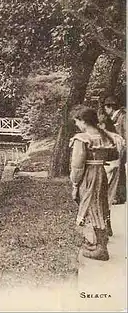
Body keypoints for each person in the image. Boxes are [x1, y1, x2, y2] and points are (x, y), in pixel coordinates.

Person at [69, 105, 118, 261]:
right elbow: (113, 155)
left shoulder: (82, 139)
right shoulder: (105, 136)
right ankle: (99, 243)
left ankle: (102, 250)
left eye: (77, 121)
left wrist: (75, 184)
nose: (77, 125)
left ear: (83, 121)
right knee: (100, 206)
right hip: (101, 174)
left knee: (91, 207)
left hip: (89, 175)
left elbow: (77, 166)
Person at [97, 109, 126, 236]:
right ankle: (107, 223)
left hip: (106, 169)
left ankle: (102, 226)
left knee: (100, 197)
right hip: (116, 169)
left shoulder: (104, 136)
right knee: (108, 198)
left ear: (103, 125)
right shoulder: (118, 137)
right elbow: (122, 152)